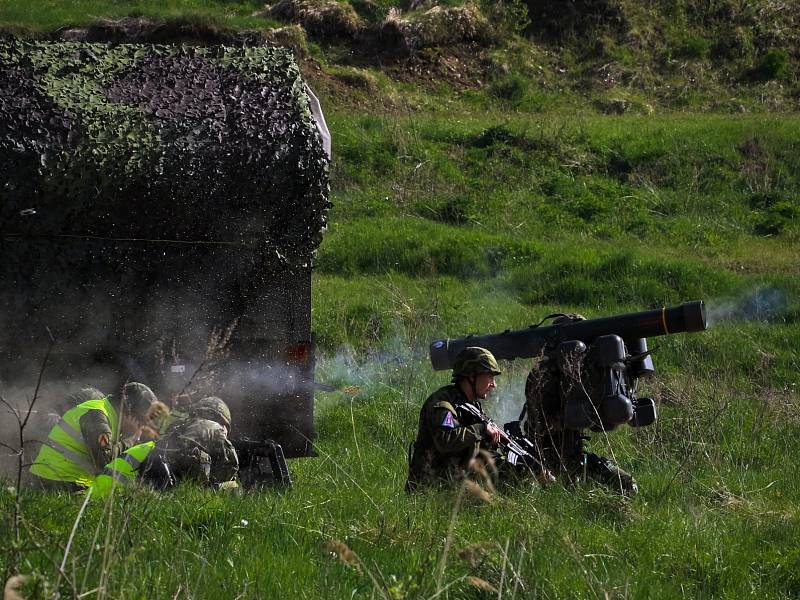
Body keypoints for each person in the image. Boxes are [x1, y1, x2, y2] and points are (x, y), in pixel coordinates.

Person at [522, 314, 638, 495]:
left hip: (575, 455)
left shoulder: (581, 374)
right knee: (567, 495)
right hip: (545, 460)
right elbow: (539, 425)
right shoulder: (543, 375)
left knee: (627, 484)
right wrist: (572, 418)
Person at [406, 347, 538, 492]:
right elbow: (446, 440)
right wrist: (481, 429)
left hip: (457, 484)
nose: (494, 384)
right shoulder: (443, 403)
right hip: (430, 488)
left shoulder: (472, 406)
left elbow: (481, 453)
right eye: (489, 376)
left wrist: (522, 469)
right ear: (471, 375)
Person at [30, 382, 157, 488]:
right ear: (128, 411)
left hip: (61, 478)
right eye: (141, 421)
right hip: (55, 482)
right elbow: (104, 462)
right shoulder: (98, 415)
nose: (141, 427)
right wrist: (130, 437)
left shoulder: (106, 412)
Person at [156, 396, 239, 488]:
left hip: (160, 478)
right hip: (187, 488)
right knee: (233, 486)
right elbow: (230, 466)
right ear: (223, 423)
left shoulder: (179, 424)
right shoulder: (215, 428)